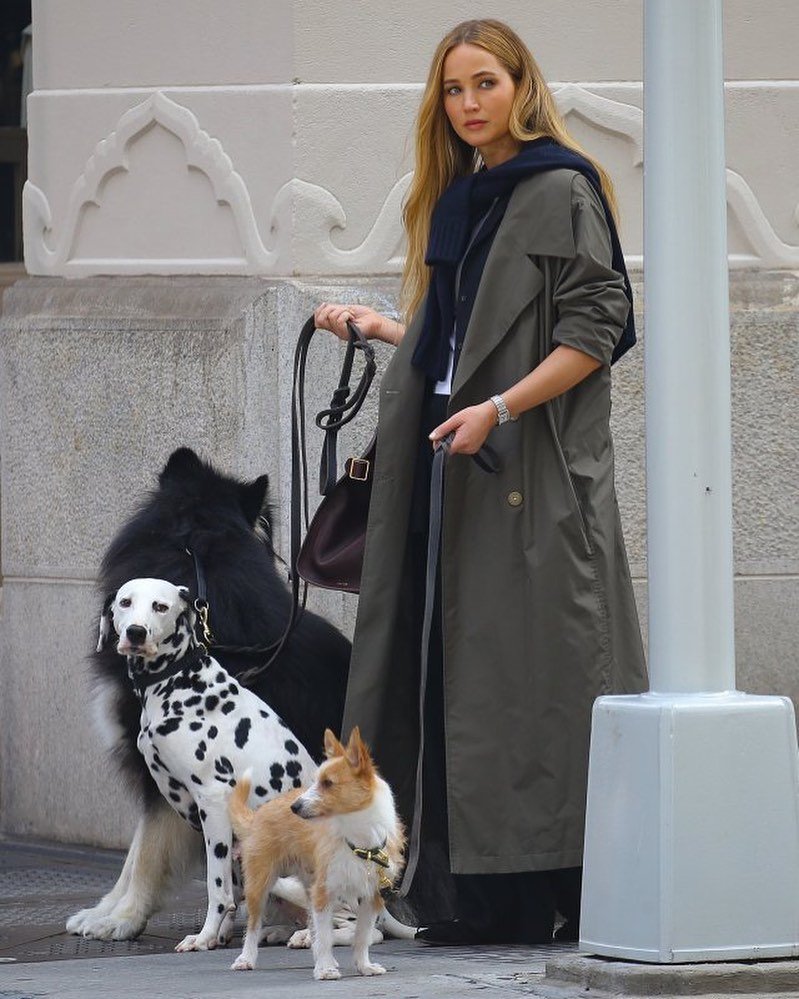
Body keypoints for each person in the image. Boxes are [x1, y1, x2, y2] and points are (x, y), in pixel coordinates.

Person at [313, 18, 647, 945]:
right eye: (453, 90)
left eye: (484, 84)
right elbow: (462, 331)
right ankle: (473, 895)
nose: (467, 105)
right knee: (450, 674)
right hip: (446, 467)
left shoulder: (558, 186)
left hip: (525, 474)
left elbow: (598, 327)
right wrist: (388, 332)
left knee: (532, 682)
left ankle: (556, 893)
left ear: (520, 84)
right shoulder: (460, 194)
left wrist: (497, 409)